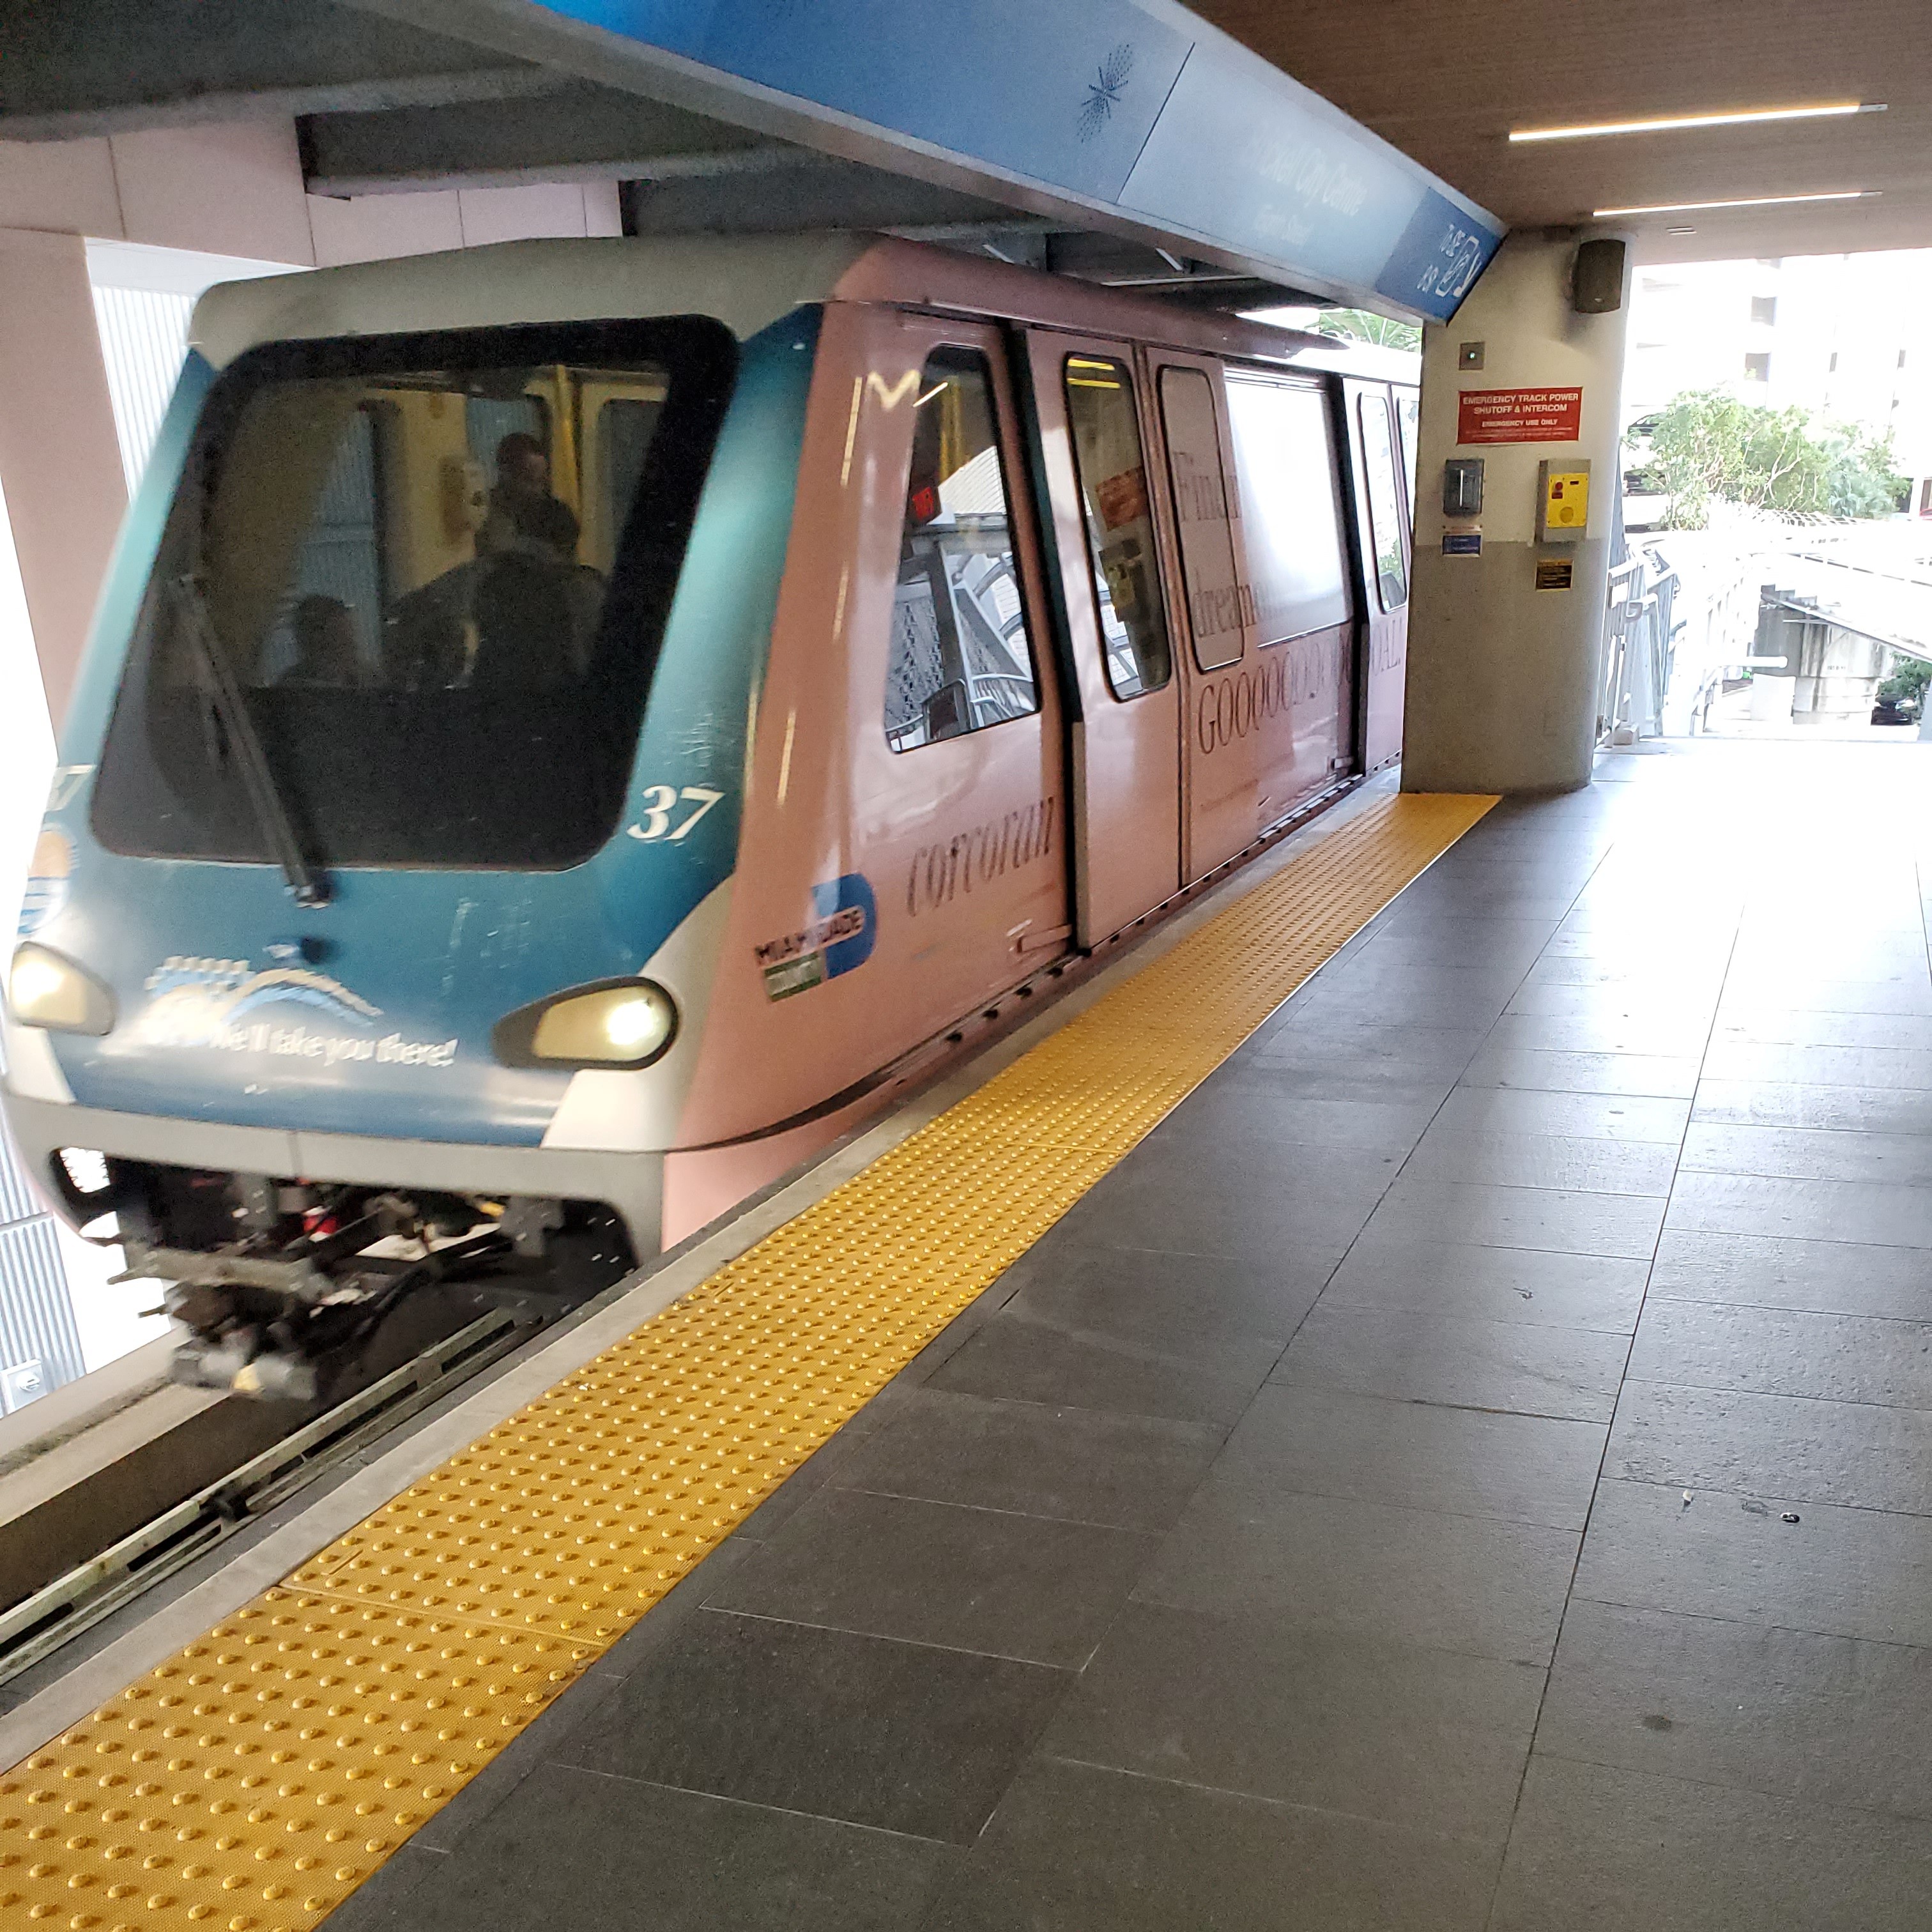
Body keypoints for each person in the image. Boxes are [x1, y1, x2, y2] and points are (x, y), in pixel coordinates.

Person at [280, 594, 360, 686]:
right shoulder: (290, 684)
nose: (314, 637)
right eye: (305, 627)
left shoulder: (371, 683)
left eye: (319, 628)